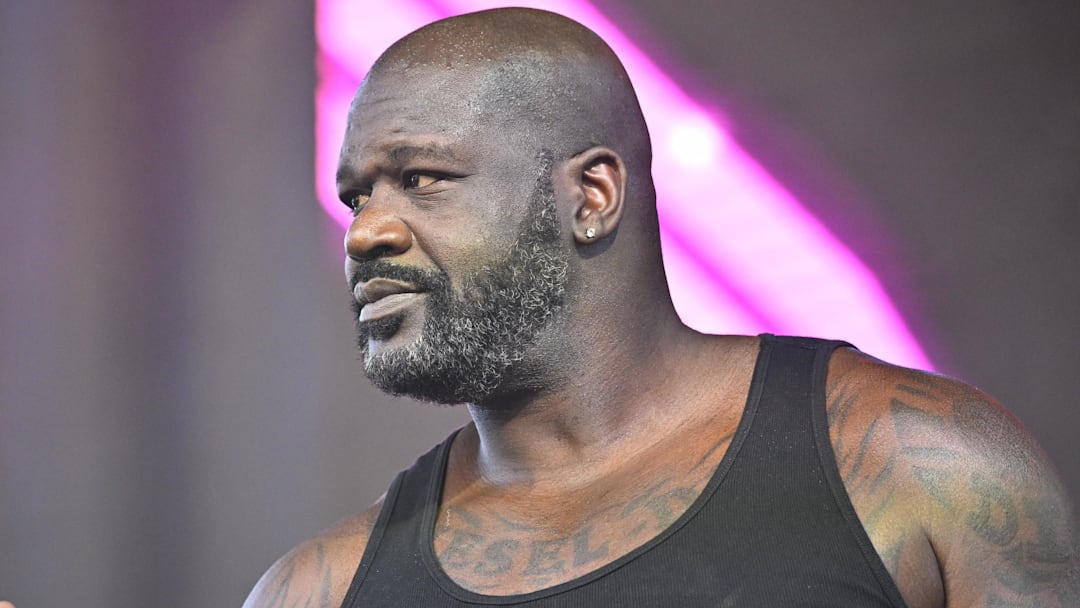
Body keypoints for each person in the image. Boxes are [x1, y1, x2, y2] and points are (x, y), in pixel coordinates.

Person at [244, 8, 1078, 607]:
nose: (368, 233)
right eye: (357, 198)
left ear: (593, 194)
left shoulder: (920, 467)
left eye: (422, 178)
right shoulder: (319, 589)